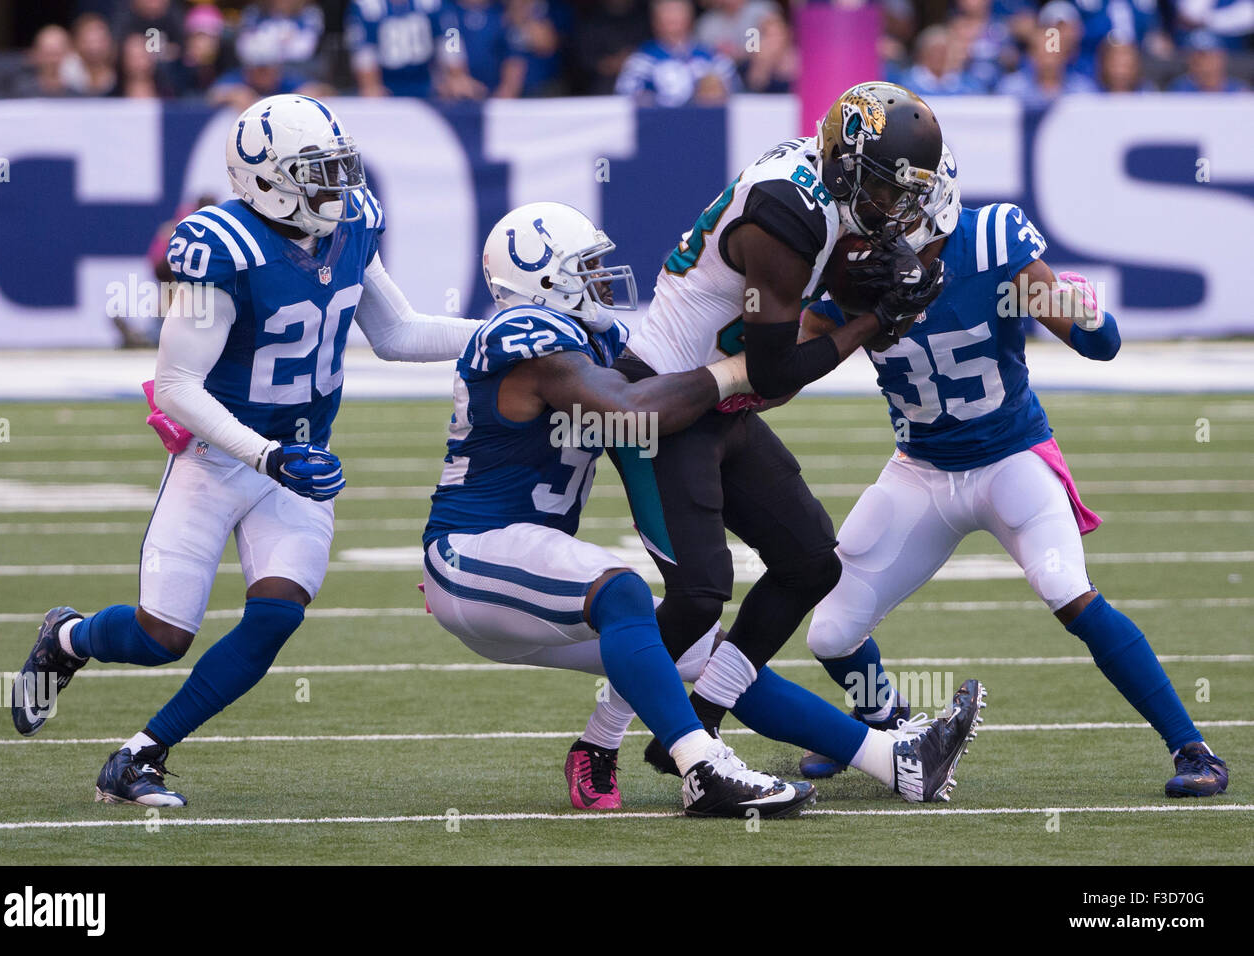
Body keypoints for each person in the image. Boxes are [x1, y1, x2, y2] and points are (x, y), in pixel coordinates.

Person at [422, 201, 983, 814]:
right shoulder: (526, 338)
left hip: (529, 583)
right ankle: (701, 768)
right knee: (626, 593)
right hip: (472, 558)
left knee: (706, 653)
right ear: (544, 279)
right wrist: (735, 371)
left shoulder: (585, 340)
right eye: (584, 267)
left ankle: (894, 762)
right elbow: (636, 410)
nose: (602, 279)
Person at [10, 95, 477, 807]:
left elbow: (399, 333)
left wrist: (501, 333)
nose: (337, 188)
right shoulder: (216, 247)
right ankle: (68, 639)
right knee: (162, 635)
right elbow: (176, 385)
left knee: (276, 615)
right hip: (218, 459)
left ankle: (141, 756)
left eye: (336, 168)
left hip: (297, 461)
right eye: (315, 172)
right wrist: (265, 454)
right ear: (265, 179)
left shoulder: (351, 225)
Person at [796, 145, 1230, 800]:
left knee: (1065, 588)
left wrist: (1082, 314)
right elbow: (790, 366)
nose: (878, 217)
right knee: (829, 632)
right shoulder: (851, 268)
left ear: (933, 201)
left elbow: (1099, 343)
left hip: (1010, 458)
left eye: (893, 203)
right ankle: (883, 722)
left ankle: (1192, 746)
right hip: (922, 468)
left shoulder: (993, 241)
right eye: (873, 203)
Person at [611, 82, 943, 758]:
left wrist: (866, 285)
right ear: (847, 165)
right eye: (884, 189)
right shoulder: (786, 212)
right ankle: (599, 740)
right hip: (664, 399)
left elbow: (778, 343)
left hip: (717, 398)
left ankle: (703, 714)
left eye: (904, 193)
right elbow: (772, 372)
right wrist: (873, 318)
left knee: (809, 562)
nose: (892, 208)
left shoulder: (820, 184)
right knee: (700, 596)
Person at [615, 0, 739, 106]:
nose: (672, 18)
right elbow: (626, 95)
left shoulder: (710, 55)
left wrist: (717, 90)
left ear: (690, 18)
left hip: (705, 126)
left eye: (677, 13)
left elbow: (736, 89)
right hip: (658, 127)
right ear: (655, 21)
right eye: (666, 13)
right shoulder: (643, 58)